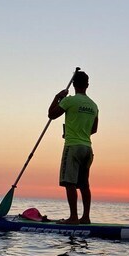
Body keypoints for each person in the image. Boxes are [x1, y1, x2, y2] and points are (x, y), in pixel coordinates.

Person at [48, 69, 99, 224]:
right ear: (87, 85)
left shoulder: (69, 100)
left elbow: (51, 114)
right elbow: (94, 129)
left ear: (74, 84)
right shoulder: (93, 105)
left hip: (73, 146)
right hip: (87, 148)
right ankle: (86, 217)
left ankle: (73, 217)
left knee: (69, 182)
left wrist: (57, 97)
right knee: (84, 184)